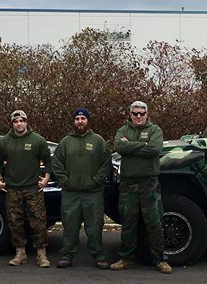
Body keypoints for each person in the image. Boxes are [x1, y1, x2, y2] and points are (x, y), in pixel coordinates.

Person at [110, 100, 172, 274]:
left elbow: (154, 149)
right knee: (128, 223)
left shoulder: (155, 130)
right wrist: (141, 145)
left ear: (147, 114)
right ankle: (126, 258)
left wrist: (131, 146)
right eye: (135, 113)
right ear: (130, 114)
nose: (138, 116)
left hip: (149, 185)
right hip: (128, 185)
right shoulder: (123, 130)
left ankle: (160, 260)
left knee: (154, 223)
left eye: (141, 113)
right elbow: (119, 146)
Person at [52, 108, 112, 269]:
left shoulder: (98, 141)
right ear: (73, 122)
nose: (80, 121)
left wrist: (95, 181)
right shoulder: (65, 142)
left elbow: (106, 164)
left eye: (83, 118)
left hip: (93, 193)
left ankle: (99, 256)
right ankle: (67, 255)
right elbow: (56, 163)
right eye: (77, 119)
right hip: (71, 193)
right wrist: (66, 181)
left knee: (94, 227)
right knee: (70, 226)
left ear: (88, 121)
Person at [0, 110, 53, 268]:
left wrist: (46, 178)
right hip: (12, 189)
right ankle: (20, 253)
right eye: (16, 121)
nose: (19, 124)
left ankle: (42, 254)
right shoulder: (4, 142)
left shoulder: (38, 140)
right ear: (12, 124)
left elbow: (48, 161)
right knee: (15, 222)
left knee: (38, 221)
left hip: (33, 188)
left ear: (26, 122)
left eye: (22, 121)